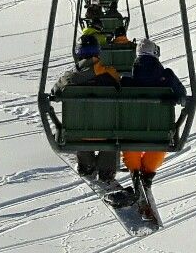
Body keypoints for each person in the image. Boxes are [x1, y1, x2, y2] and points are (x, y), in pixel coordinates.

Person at [121, 39, 187, 198]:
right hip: (159, 130)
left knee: (131, 141)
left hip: (132, 128)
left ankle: (135, 168)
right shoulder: (166, 75)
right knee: (159, 142)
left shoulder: (127, 78)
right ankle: (148, 172)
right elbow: (182, 94)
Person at [52, 31, 121, 181]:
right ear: (98, 52)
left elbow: (55, 92)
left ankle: (86, 164)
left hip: (78, 133)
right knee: (108, 129)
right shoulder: (109, 73)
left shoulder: (69, 77)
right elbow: (120, 89)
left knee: (82, 128)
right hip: (108, 131)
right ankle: (106, 168)